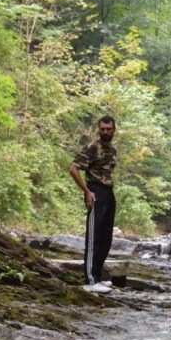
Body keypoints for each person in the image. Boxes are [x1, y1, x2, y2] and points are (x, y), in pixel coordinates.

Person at [69, 115, 117, 293]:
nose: (105, 132)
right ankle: (89, 281)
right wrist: (87, 192)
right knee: (94, 238)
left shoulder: (112, 149)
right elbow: (73, 169)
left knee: (106, 239)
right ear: (99, 129)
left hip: (109, 193)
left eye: (108, 129)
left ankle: (97, 277)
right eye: (102, 129)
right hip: (95, 192)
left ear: (114, 129)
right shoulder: (91, 147)